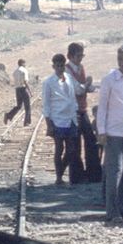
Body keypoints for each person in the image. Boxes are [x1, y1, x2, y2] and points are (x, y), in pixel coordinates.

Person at [96, 45, 123, 222]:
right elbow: (102, 107)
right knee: (115, 172)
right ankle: (113, 212)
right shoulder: (110, 80)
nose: (122, 63)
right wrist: (101, 131)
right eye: (120, 59)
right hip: (114, 132)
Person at [65, 42, 101, 183]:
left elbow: (85, 88)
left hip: (81, 109)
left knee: (91, 141)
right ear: (70, 56)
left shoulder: (80, 68)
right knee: (75, 144)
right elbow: (78, 90)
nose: (80, 58)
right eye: (78, 56)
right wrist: (87, 84)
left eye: (82, 56)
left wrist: (90, 86)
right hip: (72, 111)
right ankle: (77, 176)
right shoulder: (67, 71)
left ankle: (92, 173)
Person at [42, 53, 80, 185]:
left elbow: (76, 92)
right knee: (59, 149)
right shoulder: (48, 82)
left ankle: (61, 171)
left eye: (62, 65)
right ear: (53, 66)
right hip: (57, 119)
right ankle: (59, 178)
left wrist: (88, 85)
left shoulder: (69, 78)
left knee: (71, 150)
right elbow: (46, 104)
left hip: (71, 119)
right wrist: (49, 124)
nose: (60, 68)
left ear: (64, 65)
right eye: (57, 66)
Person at [4, 58, 32, 126]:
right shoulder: (24, 70)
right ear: (22, 63)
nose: (25, 65)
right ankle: (26, 122)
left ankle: (8, 115)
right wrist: (30, 91)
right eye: (24, 63)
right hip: (23, 89)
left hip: (17, 90)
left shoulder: (15, 72)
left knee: (19, 106)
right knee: (27, 107)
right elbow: (25, 81)